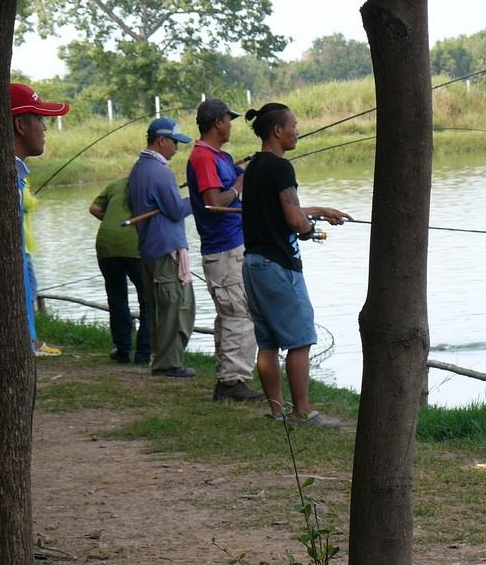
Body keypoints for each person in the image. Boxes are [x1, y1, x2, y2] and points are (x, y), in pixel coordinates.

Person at [241, 102, 350, 426]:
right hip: (278, 266)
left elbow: (275, 211)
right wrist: (307, 227)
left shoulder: (255, 166)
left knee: (268, 343)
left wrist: (318, 211)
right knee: (301, 339)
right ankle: (303, 412)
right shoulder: (281, 167)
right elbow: (292, 217)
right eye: (294, 125)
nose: (297, 131)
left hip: (253, 264)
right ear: (278, 130)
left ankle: (277, 411)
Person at [187, 98, 266, 402]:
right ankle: (233, 382)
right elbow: (214, 203)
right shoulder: (203, 157)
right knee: (238, 313)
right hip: (223, 249)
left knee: (232, 313)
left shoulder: (219, 156)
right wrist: (242, 182)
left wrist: (245, 168)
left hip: (231, 246)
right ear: (218, 122)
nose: (231, 125)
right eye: (228, 120)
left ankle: (229, 378)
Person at [128, 117, 197, 378]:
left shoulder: (138, 169)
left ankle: (164, 360)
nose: (176, 149)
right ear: (161, 140)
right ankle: (168, 364)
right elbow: (176, 210)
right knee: (178, 307)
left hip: (149, 248)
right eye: (175, 143)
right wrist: (198, 198)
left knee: (162, 308)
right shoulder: (160, 172)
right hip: (167, 248)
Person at [10, 83, 70, 358]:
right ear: (20, 125)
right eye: (40, 119)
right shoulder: (5, 177)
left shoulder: (18, 174)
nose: (45, 128)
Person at [89, 177, 151, 365]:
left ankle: (123, 351)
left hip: (106, 245)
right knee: (148, 300)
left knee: (117, 299)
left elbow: (95, 208)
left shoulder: (115, 184)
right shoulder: (149, 183)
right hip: (134, 247)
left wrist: (110, 220)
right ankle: (143, 354)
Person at [22, 177, 60, 356]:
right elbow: (26, 202)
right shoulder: (17, 174)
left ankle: (31, 338)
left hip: (26, 246)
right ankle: (29, 341)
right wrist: (35, 199)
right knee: (27, 293)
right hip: (22, 247)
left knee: (31, 292)